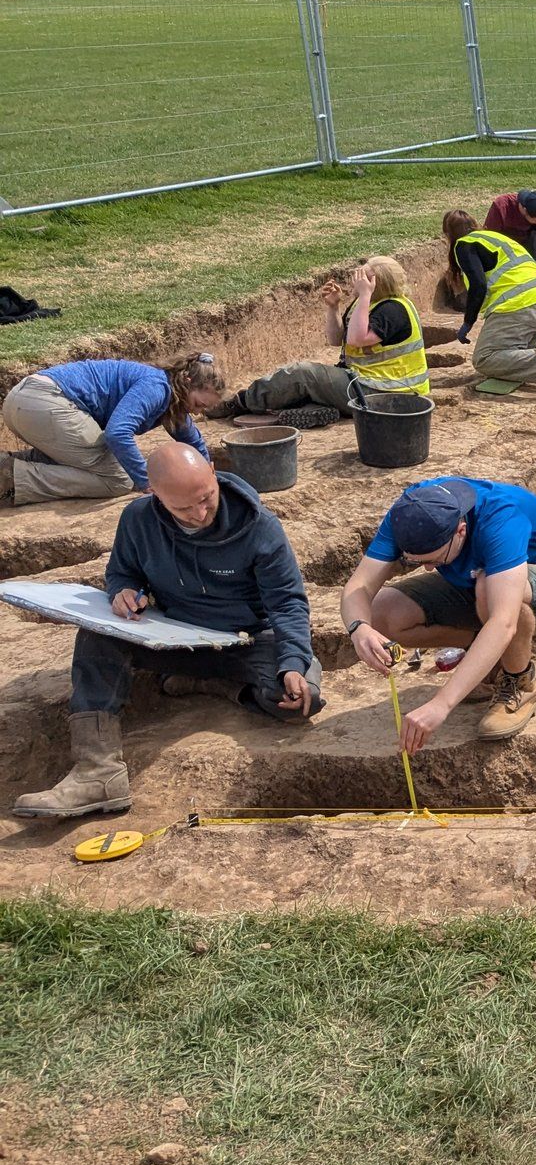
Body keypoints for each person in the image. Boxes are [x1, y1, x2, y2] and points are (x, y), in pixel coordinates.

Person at [12, 445, 322, 819]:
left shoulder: (259, 527)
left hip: (245, 639)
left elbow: (287, 603)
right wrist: (123, 592)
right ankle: (98, 772)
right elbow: (122, 573)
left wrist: (291, 662)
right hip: (171, 637)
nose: (200, 514)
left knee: (300, 696)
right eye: (183, 509)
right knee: (96, 636)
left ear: (212, 469)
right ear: (153, 493)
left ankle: (210, 683)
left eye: (206, 498)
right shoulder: (138, 519)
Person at [340, 476, 536, 747]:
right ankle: (487, 656)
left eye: (434, 560)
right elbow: (359, 588)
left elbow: (503, 622)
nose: (428, 568)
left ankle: (519, 683)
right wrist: (359, 628)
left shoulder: (500, 519)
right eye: (416, 561)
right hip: (478, 583)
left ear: (461, 529)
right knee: (381, 613)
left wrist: (442, 704)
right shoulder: (412, 511)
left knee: (490, 592)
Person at [214, 257, 428, 429]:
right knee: (309, 383)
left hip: (389, 394)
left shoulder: (393, 310)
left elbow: (357, 339)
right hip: (366, 385)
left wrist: (364, 296)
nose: (356, 281)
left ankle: (240, 402)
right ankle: (314, 409)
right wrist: (333, 307)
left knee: (302, 373)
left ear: (376, 285)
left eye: (364, 277)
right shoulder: (366, 304)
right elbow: (337, 340)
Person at [0, 351, 224, 506]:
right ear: (186, 382)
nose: (196, 412)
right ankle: (13, 479)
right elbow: (117, 433)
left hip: (26, 401)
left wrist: (206, 472)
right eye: (198, 405)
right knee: (118, 479)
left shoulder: (172, 396)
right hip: (44, 403)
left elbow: (189, 437)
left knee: (89, 459)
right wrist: (146, 481)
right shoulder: (157, 388)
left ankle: (9, 462)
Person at [443, 210, 536, 395]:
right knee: (513, 358)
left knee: (484, 358)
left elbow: (478, 285)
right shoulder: (495, 238)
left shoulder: (464, 244)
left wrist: (468, 321)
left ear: (448, 234)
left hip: (519, 307)